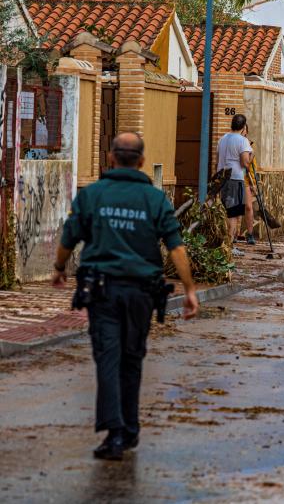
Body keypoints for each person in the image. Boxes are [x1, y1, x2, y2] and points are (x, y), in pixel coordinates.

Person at [51, 132, 199, 461]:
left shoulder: (93, 195)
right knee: (131, 359)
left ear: (110, 158)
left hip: (102, 292)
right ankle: (128, 429)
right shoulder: (155, 199)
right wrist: (189, 290)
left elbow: (69, 236)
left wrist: (59, 267)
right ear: (142, 162)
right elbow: (176, 247)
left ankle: (116, 433)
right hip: (141, 295)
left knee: (109, 357)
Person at [217, 114, 254, 253]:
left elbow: (217, 160)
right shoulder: (242, 141)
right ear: (244, 127)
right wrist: (252, 155)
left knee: (226, 211)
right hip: (235, 178)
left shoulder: (222, 139)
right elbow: (244, 163)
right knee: (232, 214)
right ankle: (230, 245)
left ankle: (225, 242)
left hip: (222, 177)